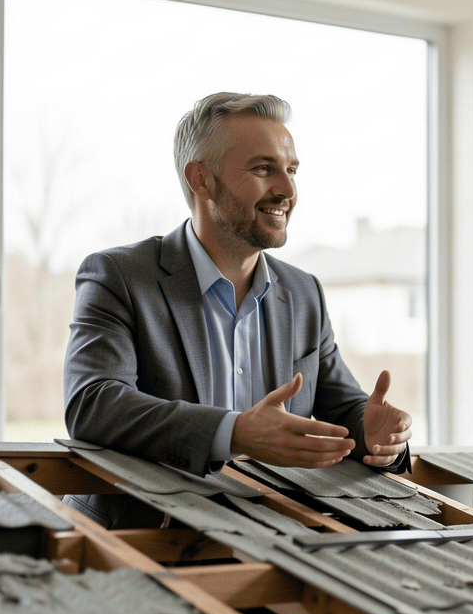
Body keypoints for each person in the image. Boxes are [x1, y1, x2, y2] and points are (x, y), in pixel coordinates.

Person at [63, 92, 412, 530]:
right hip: (138, 542)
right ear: (201, 179)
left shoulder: (304, 292)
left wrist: (379, 437)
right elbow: (93, 405)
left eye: (291, 170)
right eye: (264, 169)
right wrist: (235, 432)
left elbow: (345, 410)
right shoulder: (118, 275)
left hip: (274, 538)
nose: (287, 190)